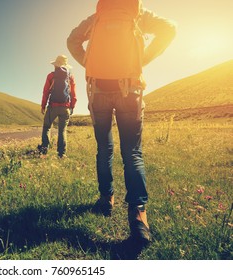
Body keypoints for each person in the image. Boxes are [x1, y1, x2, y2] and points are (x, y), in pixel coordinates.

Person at [67, 1, 176, 245]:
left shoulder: (96, 17)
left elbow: (72, 40)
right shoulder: (138, 12)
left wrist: (90, 63)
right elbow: (170, 28)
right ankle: (139, 217)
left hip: (98, 90)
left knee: (104, 148)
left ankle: (106, 200)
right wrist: (141, 60)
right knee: (133, 153)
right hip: (131, 88)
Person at [38, 55, 77, 158]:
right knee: (62, 130)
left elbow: (46, 92)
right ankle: (62, 154)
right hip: (65, 108)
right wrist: (72, 106)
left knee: (47, 127)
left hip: (53, 107)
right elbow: (73, 94)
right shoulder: (70, 77)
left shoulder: (51, 76)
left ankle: (44, 150)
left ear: (55, 65)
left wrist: (43, 105)